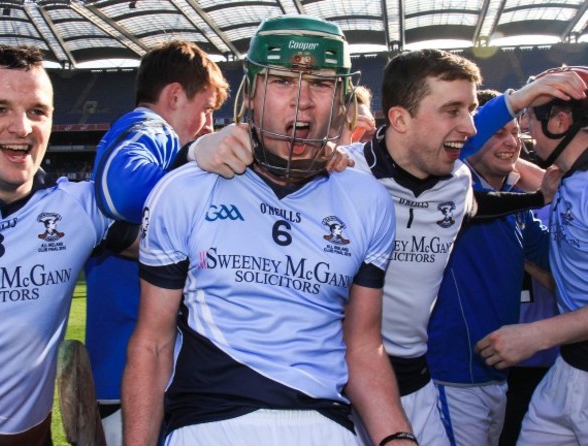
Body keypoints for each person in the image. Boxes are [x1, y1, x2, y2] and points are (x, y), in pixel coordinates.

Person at [190, 49, 587, 445]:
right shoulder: (342, 171)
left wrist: (535, 199)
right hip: (337, 387)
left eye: (469, 111)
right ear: (398, 119)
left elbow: (479, 206)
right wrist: (198, 150)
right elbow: (258, 178)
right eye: (453, 111)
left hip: (417, 385)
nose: (468, 127)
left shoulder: (458, 183)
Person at [123, 14, 416, 446]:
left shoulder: (366, 199)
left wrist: (396, 437)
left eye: (320, 83)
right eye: (282, 81)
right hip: (208, 425)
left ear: (341, 98)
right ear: (253, 92)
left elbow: (363, 345)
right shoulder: (185, 189)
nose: (302, 102)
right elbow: (152, 343)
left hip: (325, 425)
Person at [0, 42, 136, 446]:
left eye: (37, 111)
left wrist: (196, 153)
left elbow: (188, 244)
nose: (22, 128)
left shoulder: (80, 208)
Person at [83, 40, 229, 446]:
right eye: (206, 109)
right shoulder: (152, 129)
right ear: (175, 95)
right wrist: (194, 158)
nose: (209, 124)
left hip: (128, 374)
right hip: (131, 380)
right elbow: (121, 190)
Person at [426, 89, 550, 446]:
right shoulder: (445, 189)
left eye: (515, 133)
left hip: (496, 378)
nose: (511, 141)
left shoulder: (517, 209)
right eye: (498, 132)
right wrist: (524, 94)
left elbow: (555, 262)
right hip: (450, 377)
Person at [477, 65, 588, 445]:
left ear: (560, 121)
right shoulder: (565, 180)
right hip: (568, 370)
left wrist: (537, 334)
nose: (524, 131)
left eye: (529, 118)